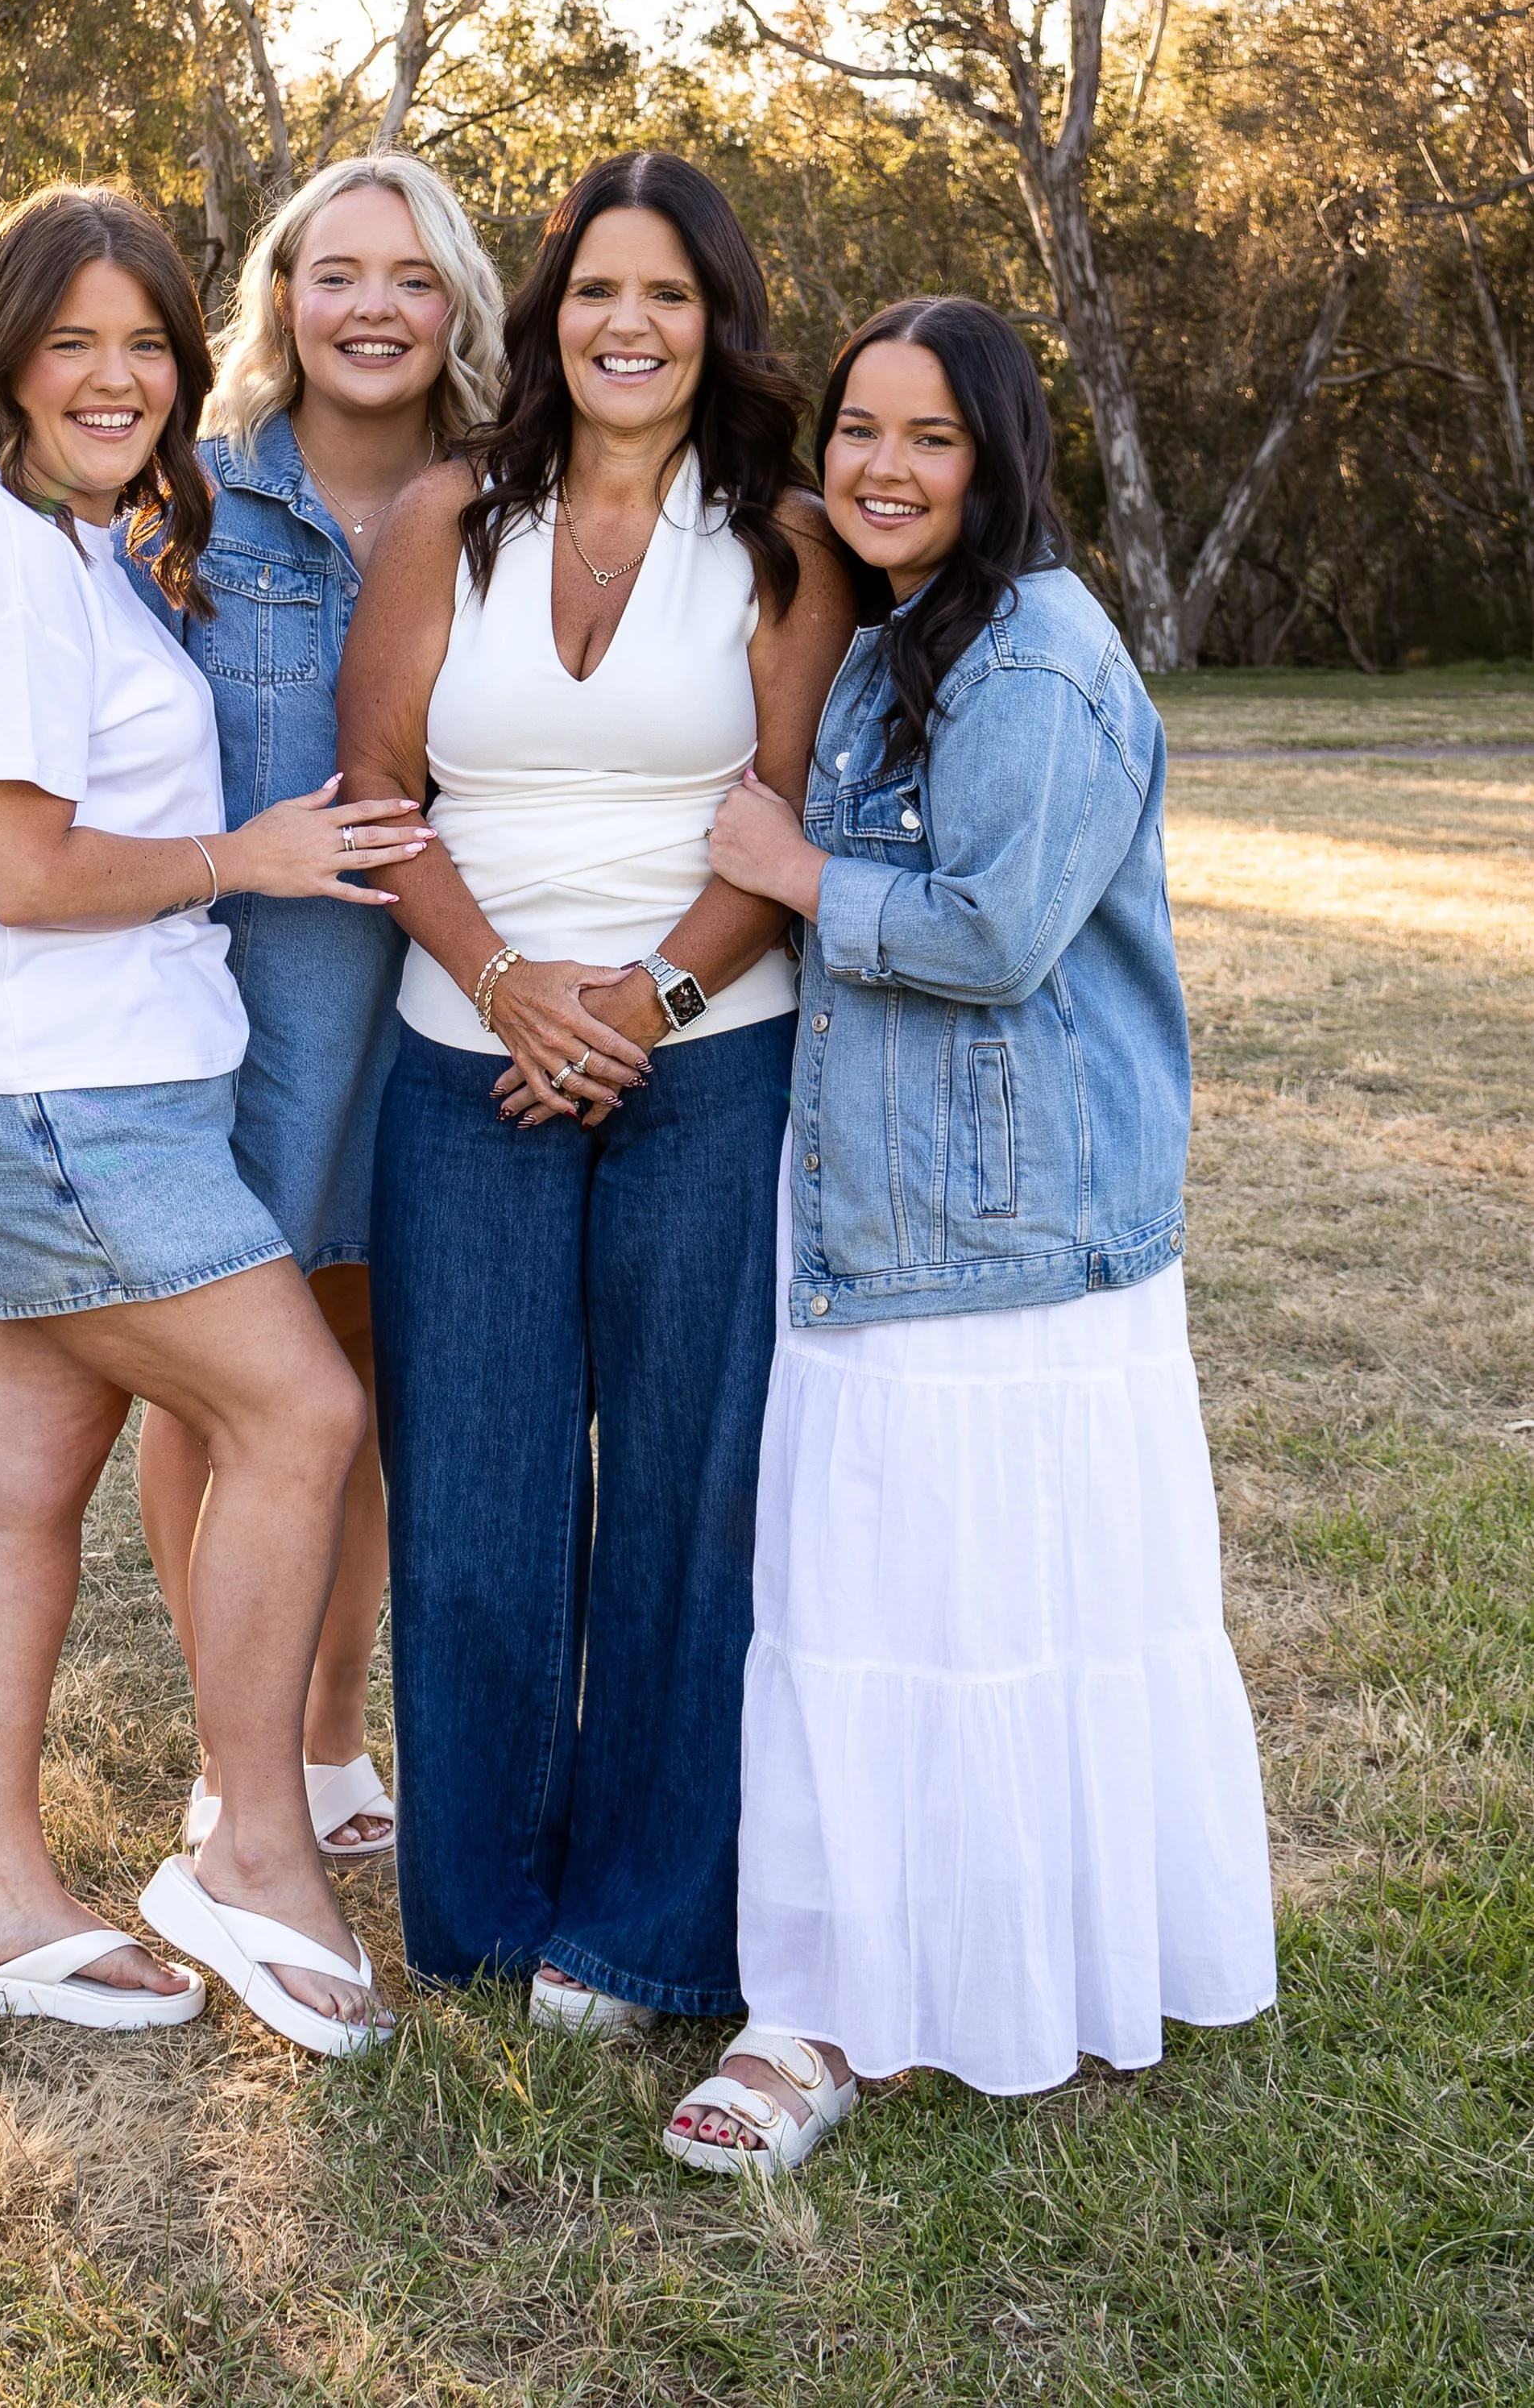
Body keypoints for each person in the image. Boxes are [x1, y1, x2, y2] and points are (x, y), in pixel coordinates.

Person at [664, 294, 1277, 2173]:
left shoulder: (1026, 661)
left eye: (928, 436)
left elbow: (994, 936)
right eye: (856, 428)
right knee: (901, 1603)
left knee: (946, 1606)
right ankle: (878, 1984)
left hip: (990, 1234)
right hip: (905, 1203)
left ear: (999, 453)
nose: (881, 466)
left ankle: (844, 2014)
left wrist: (791, 875)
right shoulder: (911, 631)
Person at [0, 181, 432, 2053]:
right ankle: (251, 1844)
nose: (113, 375)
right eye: (69, 340)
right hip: (44, 1101)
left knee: (23, 1490)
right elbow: (19, 865)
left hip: (7, 1076)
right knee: (301, 1404)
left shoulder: (59, 539)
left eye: (144, 343)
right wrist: (238, 857)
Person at [338, 150, 856, 2033]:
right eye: (593, 292)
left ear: (713, 321)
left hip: (706, 1065)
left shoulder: (783, 544)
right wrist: (504, 987)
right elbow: (379, 804)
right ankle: (480, 1915)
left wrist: (639, 997)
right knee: (471, 1503)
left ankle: (640, 1932)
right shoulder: (444, 520)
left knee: (679, 1501)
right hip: (460, 1057)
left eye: (666, 294)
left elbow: (777, 819)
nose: (626, 326)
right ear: (548, 317)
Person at [116, 156, 506, 1860]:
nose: (370, 308)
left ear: (458, 314)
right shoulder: (181, 503)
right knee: (217, 1395)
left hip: (430, 1017)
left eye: (411, 280)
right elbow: (57, 731)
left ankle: (332, 1748)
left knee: (354, 1385)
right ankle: (236, 1760)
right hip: (232, 1023)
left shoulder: (515, 502)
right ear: (281, 300)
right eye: (334, 273)